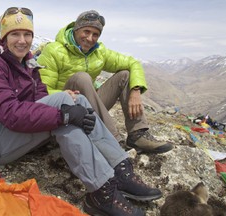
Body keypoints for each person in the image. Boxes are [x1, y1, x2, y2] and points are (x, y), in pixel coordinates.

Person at [0, 7, 163, 216]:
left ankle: (118, 173)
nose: (22, 40)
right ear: (4, 37)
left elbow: (40, 100)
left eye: (27, 34)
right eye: (15, 34)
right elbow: (11, 114)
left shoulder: (28, 62)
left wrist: (73, 114)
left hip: (8, 136)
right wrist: (64, 115)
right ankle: (104, 190)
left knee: (76, 102)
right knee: (65, 108)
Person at [36, 10, 173, 154]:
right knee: (81, 77)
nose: (90, 38)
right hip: (64, 110)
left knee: (125, 75)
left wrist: (136, 90)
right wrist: (64, 94)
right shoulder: (53, 51)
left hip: (88, 108)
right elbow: (41, 92)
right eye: (86, 31)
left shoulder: (99, 52)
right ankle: (113, 140)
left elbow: (133, 63)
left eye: (95, 34)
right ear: (76, 29)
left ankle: (137, 134)